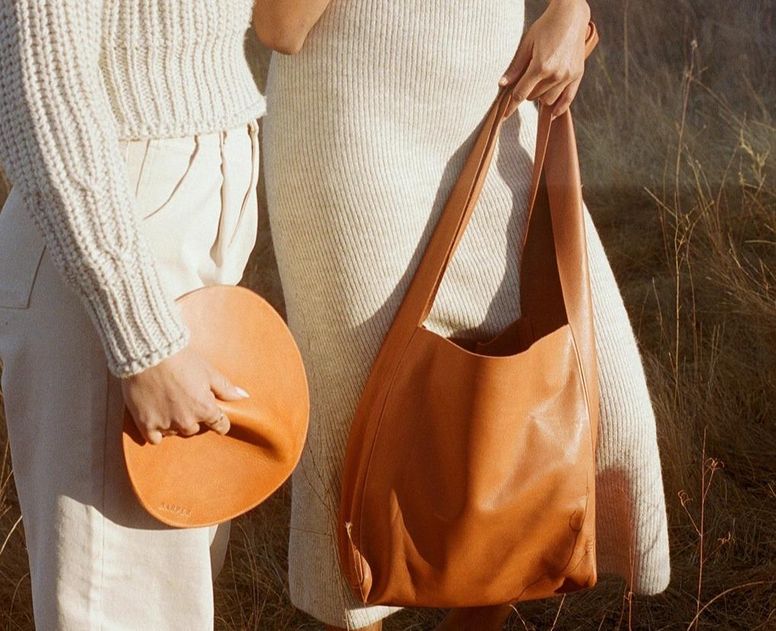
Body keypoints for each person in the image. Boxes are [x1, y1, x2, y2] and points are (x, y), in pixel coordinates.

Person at [262, 0, 671, 629]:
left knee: (590, 407)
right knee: (367, 449)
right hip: (353, 130)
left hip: (491, 103)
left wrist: (570, 9)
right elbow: (280, 27)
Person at [0, 2, 264, 628]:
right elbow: (46, 87)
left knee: (171, 583)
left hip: (194, 202)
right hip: (112, 219)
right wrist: (141, 337)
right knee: (119, 598)